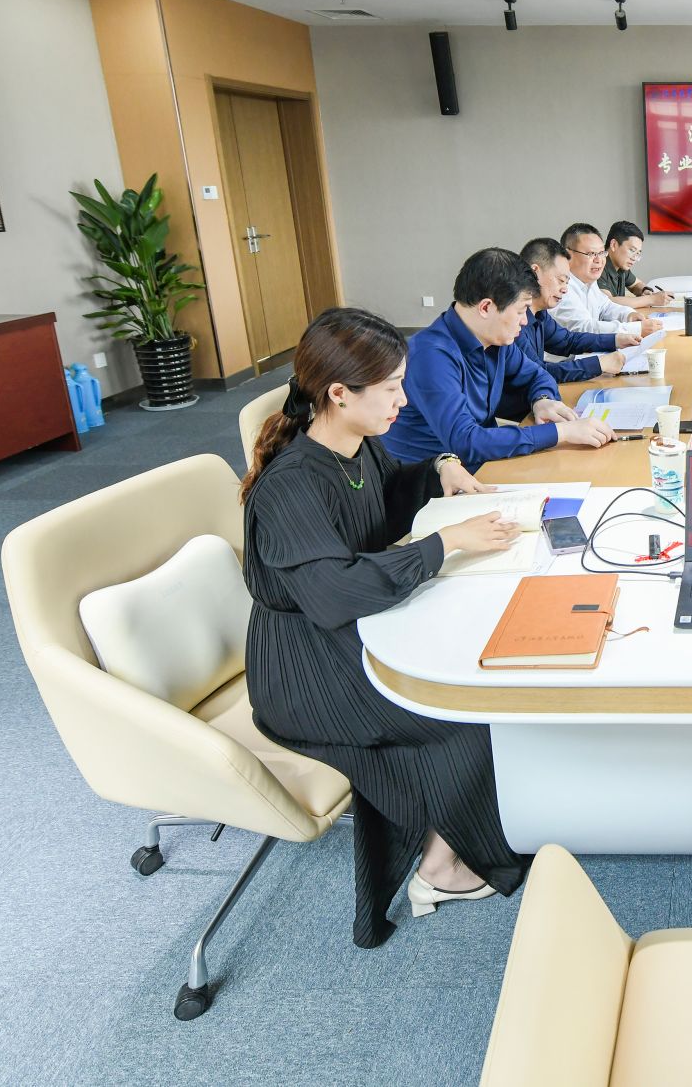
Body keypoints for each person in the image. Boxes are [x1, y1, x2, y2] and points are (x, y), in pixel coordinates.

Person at [240, 306, 529, 948]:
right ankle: (439, 867)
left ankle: (471, 826)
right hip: (303, 668)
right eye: (392, 388)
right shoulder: (290, 486)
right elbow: (335, 592)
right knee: (461, 707)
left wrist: (439, 467)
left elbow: (390, 492)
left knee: (476, 666)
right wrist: (446, 544)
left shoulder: (355, 445)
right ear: (338, 394)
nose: (404, 400)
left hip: (344, 633)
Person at [384, 247, 615, 475]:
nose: (525, 321)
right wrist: (561, 432)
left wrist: (542, 400)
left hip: (486, 464)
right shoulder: (431, 356)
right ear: (486, 307)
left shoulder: (496, 340)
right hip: (439, 481)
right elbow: (467, 441)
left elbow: (538, 375)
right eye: (521, 310)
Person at [498, 236, 635, 421]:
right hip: (521, 418)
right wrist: (599, 364)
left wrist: (615, 339)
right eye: (561, 280)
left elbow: (567, 341)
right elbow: (540, 371)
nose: (564, 289)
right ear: (535, 273)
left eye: (567, 282)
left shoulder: (539, 313)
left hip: (540, 404)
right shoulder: (514, 323)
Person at [554, 221, 654, 333]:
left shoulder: (589, 282)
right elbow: (584, 327)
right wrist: (635, 329)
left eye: (601, 253)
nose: (599, 260)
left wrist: (628, 315)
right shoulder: (560, 289)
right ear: (568, 255)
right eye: (591, 254)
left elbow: (605, 306)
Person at [597, 220, 674, 309]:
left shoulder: (621, 266)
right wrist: (651, 299)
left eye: (637, 253)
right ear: (614, 245)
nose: (634, 258)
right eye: (632, 250)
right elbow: (607, 303)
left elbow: (635, 284)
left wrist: (644, 290)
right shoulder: (597, 266)